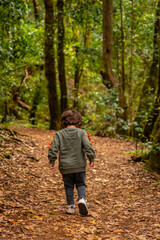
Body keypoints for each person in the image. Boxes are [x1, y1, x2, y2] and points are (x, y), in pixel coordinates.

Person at [48, 110, 95, 215]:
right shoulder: (82, 132)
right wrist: (91, 158)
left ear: (63, 122)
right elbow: (88, 146)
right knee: (81, 184)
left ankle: (70, 206)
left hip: (66, 167)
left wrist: (52, 160)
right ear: (79, 122)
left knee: (68, 186)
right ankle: (82, 199)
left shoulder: (59, 134)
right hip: (79, 165)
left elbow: (53, 148)